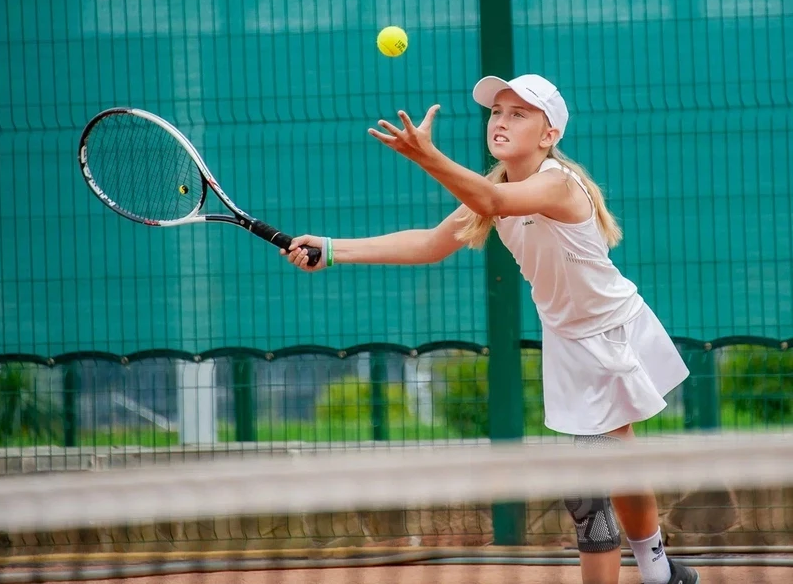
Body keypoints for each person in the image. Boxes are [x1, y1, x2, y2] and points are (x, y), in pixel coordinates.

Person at [281, 74, 699, 584]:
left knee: (590, 487)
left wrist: (426, 156)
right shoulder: (496, 188)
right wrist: (332, 248)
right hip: (568, 343)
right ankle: (660, 572)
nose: (500, 121)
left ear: (549, 136)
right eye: (497, 112)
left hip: (613, 333)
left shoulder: (557, 183)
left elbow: (492, 202)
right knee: (617, 461)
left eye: (518, 114)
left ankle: (657, 571)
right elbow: (429, 245)